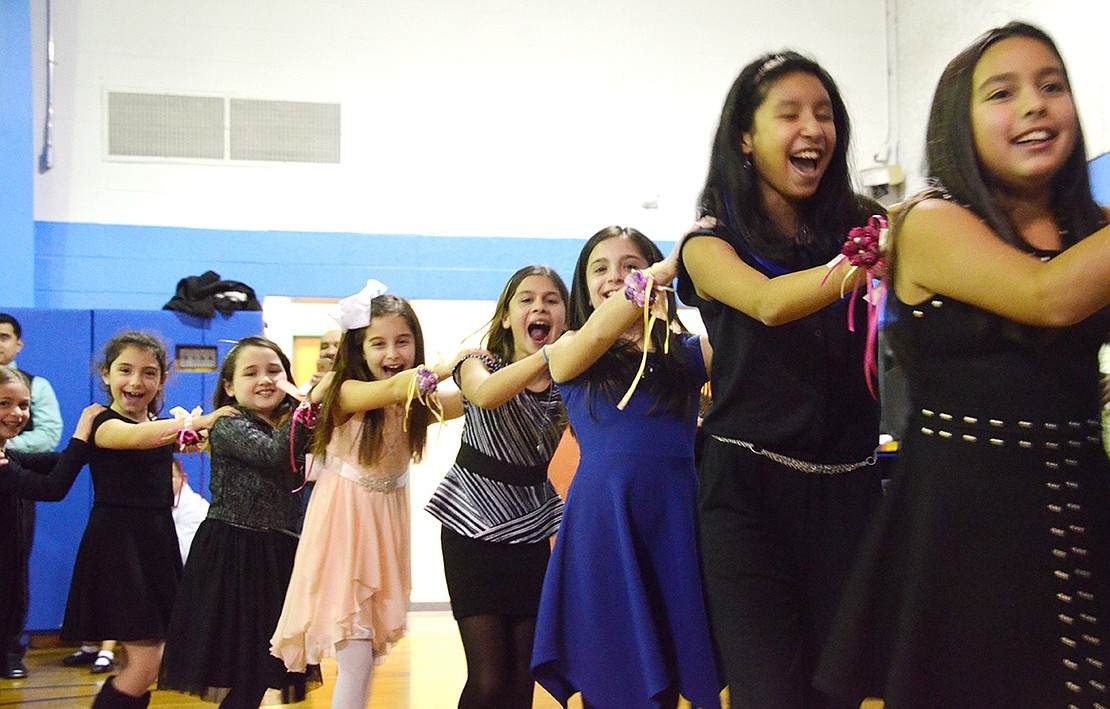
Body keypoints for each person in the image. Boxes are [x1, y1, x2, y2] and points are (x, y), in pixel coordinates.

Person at [814, 22, 1110, 708]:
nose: (1035, 104)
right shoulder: (930, 223)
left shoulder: (1091, 229)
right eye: (1002, 93)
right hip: (969, 525)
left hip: (1081, 501)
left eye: (1052, 85)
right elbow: (1048, 296)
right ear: (958, 121)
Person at [676, 52, 885, 708]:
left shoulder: (864, 222)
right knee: (770, 694)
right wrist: (866, 258)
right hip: (747, 495)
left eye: (823, 113)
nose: (813, 128)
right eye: (789, 113)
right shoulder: (709, 242)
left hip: (850, 491)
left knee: (839, 693)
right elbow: (768, 302)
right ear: (746, 134)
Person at [531, 226, 721, 709]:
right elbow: (597, 332)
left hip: (675, 518)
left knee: (672, 662)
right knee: (609, 668)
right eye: (600, 268)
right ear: (585, 285)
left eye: (630, 265)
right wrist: (661, 270)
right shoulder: (575, 346)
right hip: (604, 523)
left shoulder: (687, 352)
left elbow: (747, 352)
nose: (615, 278)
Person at [271, 285, 469, 709]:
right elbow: (396, 388)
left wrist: (507, 369)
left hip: (385, 525)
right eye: (378, 343)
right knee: (356, 659)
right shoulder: (346, 392)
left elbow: (467, 400)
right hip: (344, 528)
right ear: (358, 350)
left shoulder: (414, 402)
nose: (392, 353)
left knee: (365, 662)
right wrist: (450, 366)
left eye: (402, 341)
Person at [60, 331, 235, 708]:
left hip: (154, 543)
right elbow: (138, 438)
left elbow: (158, 437)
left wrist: (193, 439)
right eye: (125, 370)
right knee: (147, 661)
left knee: (149, 660)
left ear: (162, 379)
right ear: (106, 375)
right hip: (119, 548)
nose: (137, 382)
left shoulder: (155, 421)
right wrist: (204, 420)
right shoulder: (103, 423)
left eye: (149, 373)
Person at [425, 265, 569, 708]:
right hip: (471, 527)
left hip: (529, 530)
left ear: (566, 315)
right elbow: (485, 395)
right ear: (506, 317)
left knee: (521, 681)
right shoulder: (479, 362)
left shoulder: (571, 379)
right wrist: (547, 358)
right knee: (488, 680)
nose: (539, 307)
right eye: (526, 300)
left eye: (551, 299)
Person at [160, 337, 317, 708]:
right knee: (249, 666)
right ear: (229, 387)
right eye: (251, 373)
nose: (265, 380)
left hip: (277, 552)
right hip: (234, 553)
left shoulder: (285, 423)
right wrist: (309, 411)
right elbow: (274, 454)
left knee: (265, 666)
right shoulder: (229, 424)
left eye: (274, 371)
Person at [0, 368, 99, 681]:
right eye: (4, 403)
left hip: (12, 560)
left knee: (14, 599)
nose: (17, 413)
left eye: (24, 405)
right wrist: (83, 435)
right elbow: (51, 488)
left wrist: (106, 445)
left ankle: (8, 654)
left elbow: (54, 461)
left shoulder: (9, 453)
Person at [0, 313, 63, 679]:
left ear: (18, 343)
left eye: (5, 336)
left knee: (13, 573)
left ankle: (10, 651)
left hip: (16, 484)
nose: (16, 412)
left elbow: (48, 437)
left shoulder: (37, 385)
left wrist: (8, 452)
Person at [302, 329, 341, 394]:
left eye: (337, 346)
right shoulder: (305, 389)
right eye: (324, 346)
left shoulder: (359, 387)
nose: (330, 352)